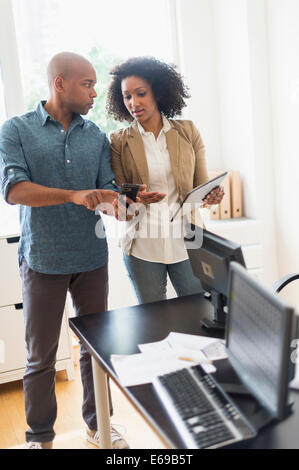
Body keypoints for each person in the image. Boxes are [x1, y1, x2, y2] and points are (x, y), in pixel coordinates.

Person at [0, 52, 132, 449]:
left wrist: (128, 203)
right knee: (41, 358)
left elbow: (106, 194)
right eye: (87, 84)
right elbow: (14, 190)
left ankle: (99, 428)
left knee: (95, 350)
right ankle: (40, 438)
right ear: (60, 84)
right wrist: (74, 195)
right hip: (42, 260)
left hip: (92, 260)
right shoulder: (17, 130)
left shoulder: (95, 136)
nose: (96, 93)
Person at [106, 56, 224, 304]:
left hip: (188, 243)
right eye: (127, 96)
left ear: (158, 93)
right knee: (152, 321)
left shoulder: (188, 131)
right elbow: (118, 194)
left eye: (140, 94)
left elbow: (200, 189)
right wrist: (134, 197)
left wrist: (212, 196)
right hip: (142, 246)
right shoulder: (119, 141)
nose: (133, 103)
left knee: (198, 314)